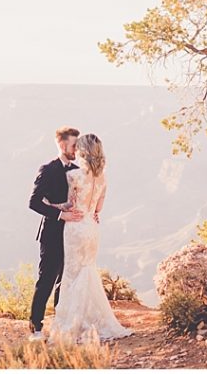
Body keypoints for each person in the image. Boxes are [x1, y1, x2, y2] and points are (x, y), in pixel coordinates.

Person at [45, 133, 133, 344]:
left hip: (75, 228)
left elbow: (69, 205)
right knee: (88, 271)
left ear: (82, 152)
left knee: (72, 274)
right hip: (92, 228)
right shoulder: (103, 178)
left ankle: (72, 323)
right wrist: (91, 209)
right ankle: (94, 320)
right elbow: (98, 208)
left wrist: (51, 205)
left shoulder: (74, 176)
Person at [27, 126, 84, 341]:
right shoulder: (47, 169)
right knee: (47, 280)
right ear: (62, 145)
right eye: (73, 145)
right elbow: (33, 202)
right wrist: (60, 215)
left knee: (66, 280)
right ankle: (36, 327)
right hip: (52, 233)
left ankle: (61, 325)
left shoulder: (77, 170)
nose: (76, 149)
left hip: (73, 234)